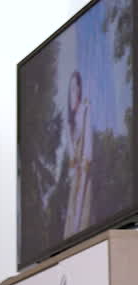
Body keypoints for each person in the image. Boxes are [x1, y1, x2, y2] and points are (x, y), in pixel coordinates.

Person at [64, 69, 94, 236]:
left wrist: (85, 161)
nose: (73, 94)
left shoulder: (86, 109)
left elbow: (88, 141)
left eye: (76, 89)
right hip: (75, 175)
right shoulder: (69, 124)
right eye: (71, 90)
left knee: (83, 213)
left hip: (84, 172)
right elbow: (70, 155)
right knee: (72, 215)